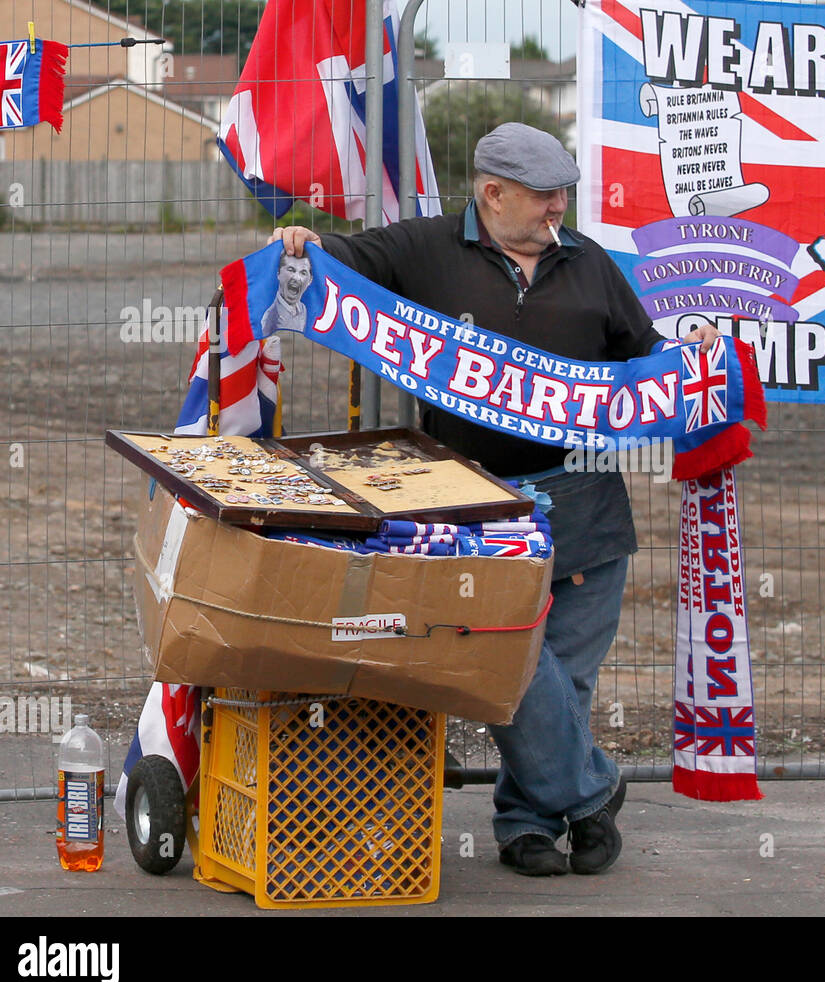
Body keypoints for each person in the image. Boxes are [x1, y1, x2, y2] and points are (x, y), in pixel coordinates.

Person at [270, 121, 718, 877]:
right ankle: (592, 790)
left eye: (564, 193)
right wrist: (299, 242)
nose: (558, 208)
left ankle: (527, 826)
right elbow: (340, 260)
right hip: (474, 507)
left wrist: (693, 366)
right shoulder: (423, 250)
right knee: (512, 665)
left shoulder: (592, 265)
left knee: (567, 676)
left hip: (585, 504)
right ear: (492, 193)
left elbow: (645, 356)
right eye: (544, 196)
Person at [261, 251, 311, 338]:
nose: (296, 278)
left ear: (310, 280)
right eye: (291, 270)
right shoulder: (271, 318)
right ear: (278, 274)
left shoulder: (302, 309)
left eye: (303, 273)